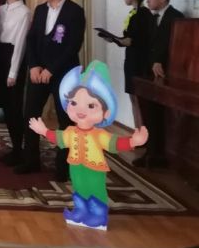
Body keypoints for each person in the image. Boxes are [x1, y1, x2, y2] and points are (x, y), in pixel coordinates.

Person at [30, 61, 148, 229]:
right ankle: (81, 210)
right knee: (79, 187)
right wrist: (43, 130)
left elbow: (114, 143)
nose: (80, 110)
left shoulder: (99, 135)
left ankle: (98, 214)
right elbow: (59, 138)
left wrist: (133, 141)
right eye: (74, 103)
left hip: (94, 168)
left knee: (95, 189)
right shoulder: (71, 131)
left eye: (91, 105)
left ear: (106, 112)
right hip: (75, 167)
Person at [14, 0, 85, 182]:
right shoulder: (40, 9)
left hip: (64, 74)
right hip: (38, 73)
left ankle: (63, 166)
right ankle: (31, 160)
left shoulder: (74, 11)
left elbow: (73, 46)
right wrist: (34, 65)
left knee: (66, 119)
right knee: (31, 114)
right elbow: (32, 39)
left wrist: (51, 69)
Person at [135, 0, 184, 168]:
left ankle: (160, 155)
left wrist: (159, 60)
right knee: (149, 115)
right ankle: (150, 151)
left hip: (166, 73)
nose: (147, 0)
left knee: (162, 117)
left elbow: (174, 46)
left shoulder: (176, 18)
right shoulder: (151, 17)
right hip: (149, 72)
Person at [101, 0, 153, 127]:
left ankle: (142, 131)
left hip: (139, 61)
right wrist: (115, 39)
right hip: (132, 59)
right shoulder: (135, 13)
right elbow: (129, 39)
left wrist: (115, 39)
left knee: (138, 99)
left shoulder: (142, 14)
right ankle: (138, 130)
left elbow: (133, 40)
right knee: (133, 98)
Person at [0, 0, 31, 166]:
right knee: (6, 107)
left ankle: (20, 149)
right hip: (0, 56)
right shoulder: (0, 10)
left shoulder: (24, 12)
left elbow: (20, 43)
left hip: (14, 57)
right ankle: (15, 148)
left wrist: (13, 72)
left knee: (15, 106)